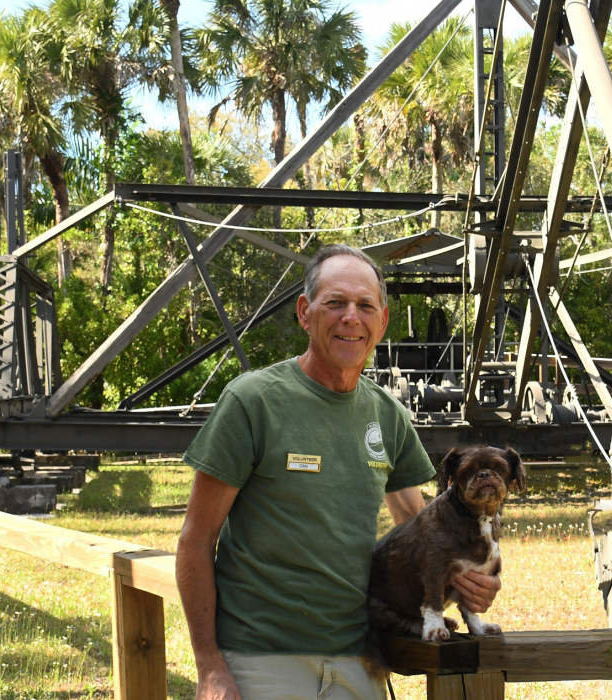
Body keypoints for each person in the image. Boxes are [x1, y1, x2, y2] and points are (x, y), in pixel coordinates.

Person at [176, 245, 501, 700]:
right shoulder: (252, 401)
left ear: (382, 322)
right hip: (259, 661)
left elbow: (424, 528)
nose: (352, 317)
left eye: (366, 305)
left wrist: (470, 578)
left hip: (357, 659)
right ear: (305, 313)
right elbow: (195, 539)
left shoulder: (387, 414)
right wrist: (210, 667)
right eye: (335, 303)